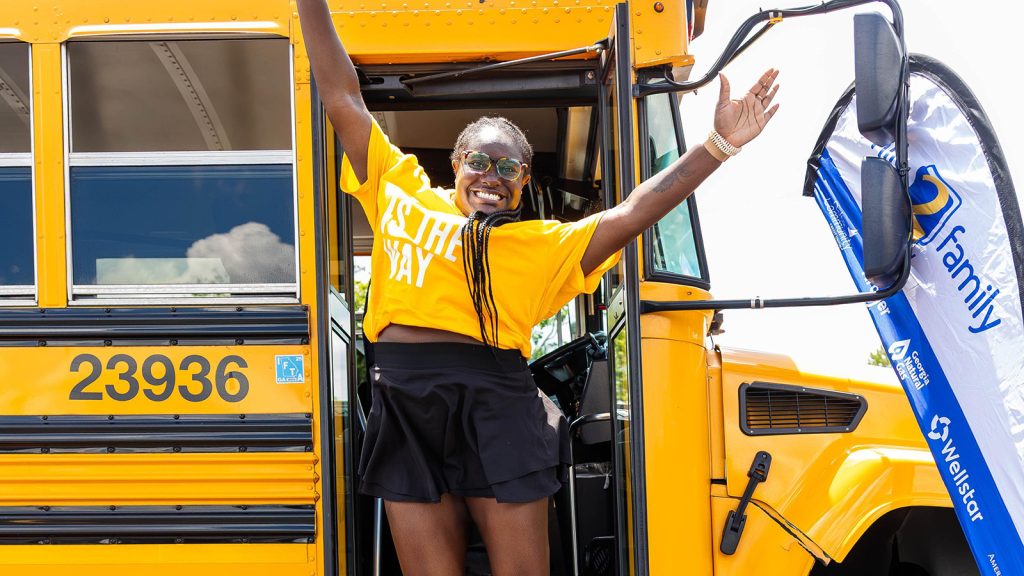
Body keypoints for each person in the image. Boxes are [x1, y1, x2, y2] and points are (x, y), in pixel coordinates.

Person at [297, 1, 779, 574]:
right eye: (481, 161)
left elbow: (632, 214)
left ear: (524, 185)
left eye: (510, 170)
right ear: (456, 164)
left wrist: (718, 147)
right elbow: (342, 96)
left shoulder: (543, 245)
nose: (492, 178)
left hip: (495, 404)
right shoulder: (399, 191)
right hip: (404, 402)